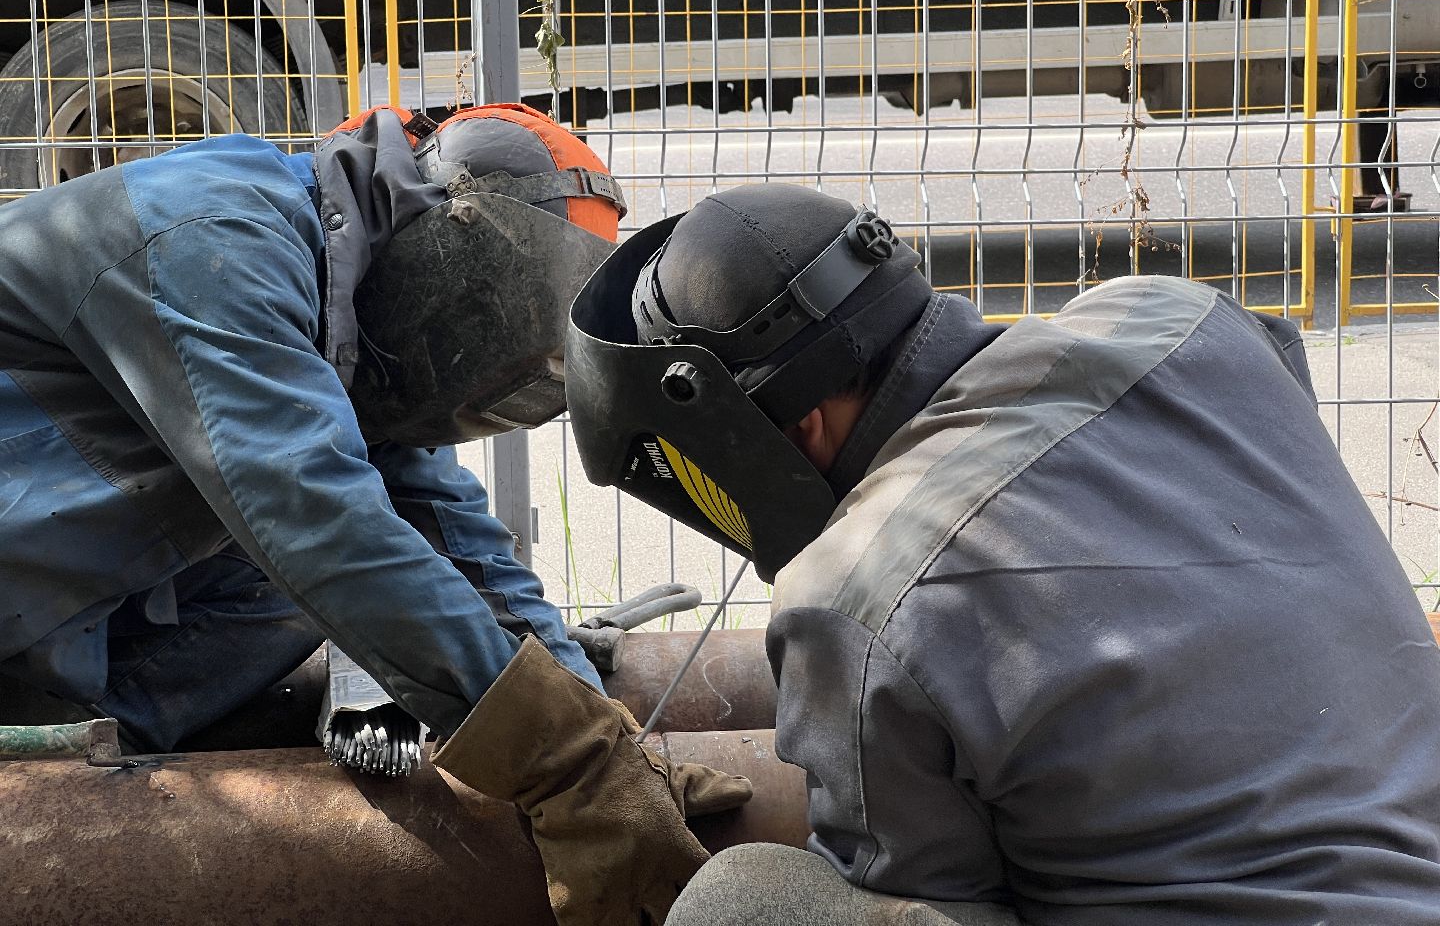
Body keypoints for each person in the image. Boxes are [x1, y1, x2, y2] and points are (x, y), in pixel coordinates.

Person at [565, 183, 1440, 925]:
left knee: (745, 903)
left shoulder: (853, 593)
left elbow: (935, 898)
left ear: (801, 428)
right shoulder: (1184, 318)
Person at [0, 103, 749, 926]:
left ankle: (112, 744)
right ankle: (66, 793)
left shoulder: (350, 311)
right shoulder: (214, 238)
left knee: (358, 572)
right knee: (322, 555)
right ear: (442, 242)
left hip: (46, 597)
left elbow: (459, 543)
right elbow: (314, 514)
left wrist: (610, 747)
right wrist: (562, 763)